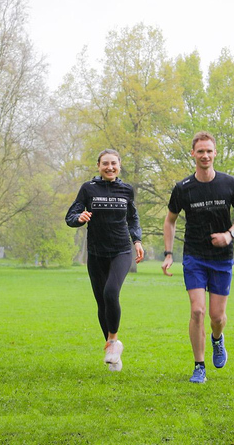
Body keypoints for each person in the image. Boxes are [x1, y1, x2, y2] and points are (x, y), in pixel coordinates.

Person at [161, 132, 234, 383]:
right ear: (193, 154)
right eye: (200, 151)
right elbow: (170, 220)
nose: (205, 155)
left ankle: (217, 339)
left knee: (217, 317)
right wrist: (168, 254)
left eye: (209, 151)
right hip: (194, 257)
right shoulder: (183, 188)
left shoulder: (228, 183)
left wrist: (229, 235)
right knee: (197, 311)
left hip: (221, 258)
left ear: (215, 153)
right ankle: (199, 366)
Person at [65, 149, 144, 372]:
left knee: (111, 293)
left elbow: (133, 218)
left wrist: (137, 241)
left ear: (119, 165)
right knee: (102, 302)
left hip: (121, 251)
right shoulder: (88, 189)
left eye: (114, 164)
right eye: (105, 164)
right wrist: (79, 218)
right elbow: (71, 215)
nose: (110, 167)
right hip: (96, 253)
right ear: (98, 166)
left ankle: (113, 340)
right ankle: (112, 348)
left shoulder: (126, 190)